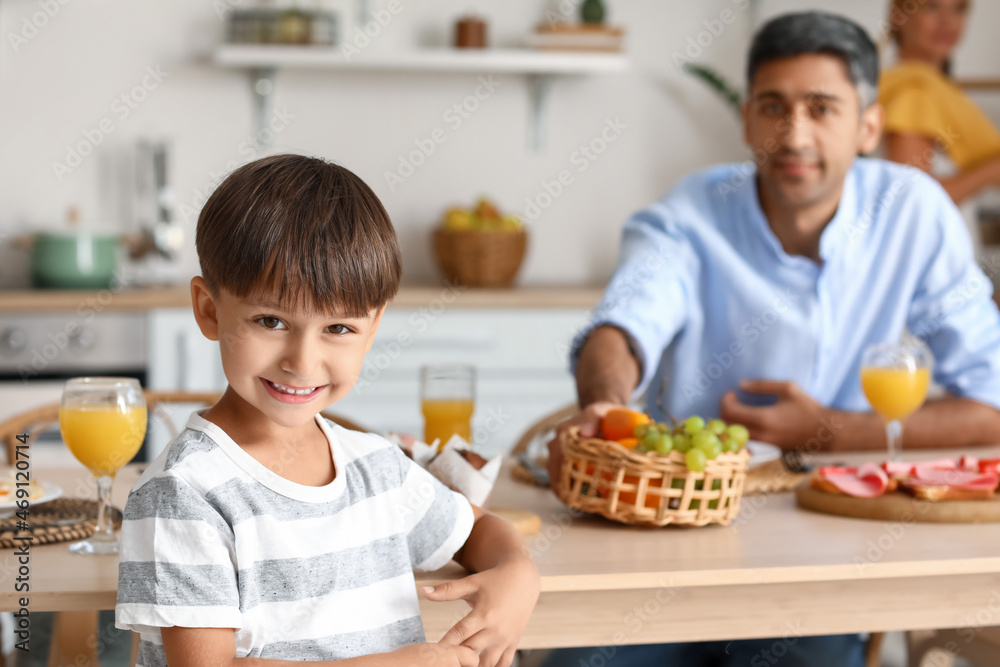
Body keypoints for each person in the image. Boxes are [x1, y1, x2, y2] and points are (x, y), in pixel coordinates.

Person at [542, 11, 1000, 667]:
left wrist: (833, 430)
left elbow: (992, 401)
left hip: (828, 545)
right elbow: (623, 324)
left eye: (822, 108)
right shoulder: (688, 212)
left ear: (868, 125)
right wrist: (606, 403)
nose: (795, 134)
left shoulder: (915, 212)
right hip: (667, 530)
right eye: (774, 107)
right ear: (747, 121)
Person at [114, 155, 540, 667]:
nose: (301, 361)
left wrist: (518, 574)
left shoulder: (376, 467)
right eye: (270, 321)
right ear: (209, 310)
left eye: (338, 329)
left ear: (374, 326)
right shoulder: (181, 495)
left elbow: (480, 530)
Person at [880, 0, 1000, 204]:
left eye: (959, 8)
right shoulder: (914, 92)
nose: (947, 23)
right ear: (898, 13)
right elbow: (911, 200)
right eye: (931, 6)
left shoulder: (942, 95)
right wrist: (989, 172)